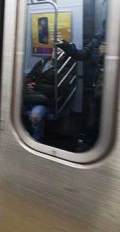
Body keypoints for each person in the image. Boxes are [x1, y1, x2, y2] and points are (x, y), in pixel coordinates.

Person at [57, 20, 106, 148]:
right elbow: (81, 55)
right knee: (91, 116)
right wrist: (64, 45)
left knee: (105, 117)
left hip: (111, 87)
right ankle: (88, 142)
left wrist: (107, 55)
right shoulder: (98, 38)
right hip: (95, 84)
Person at [22, 57, 56, 142]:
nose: (57, 52)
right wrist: (28, 83)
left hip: (44, 100)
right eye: (56, 49)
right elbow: (30, 75)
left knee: (35, 116)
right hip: (30, 96)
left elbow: (57, 89)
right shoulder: (42, 62)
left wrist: (38, 87)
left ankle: (37, 140)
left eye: (61, 51)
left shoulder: (63, 68)